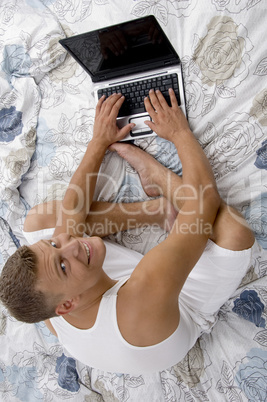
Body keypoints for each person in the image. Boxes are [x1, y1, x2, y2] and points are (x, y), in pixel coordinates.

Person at [0, 90, 255, 375]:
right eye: (62, 264)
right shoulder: (143, 295)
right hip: (182, 303)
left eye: (53, 244)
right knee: (235, 234)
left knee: (37, 221)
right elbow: (203, 203)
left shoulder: (50, 295)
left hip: (96, 290)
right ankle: (157, 178)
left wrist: (99, 141)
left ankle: (156, 210)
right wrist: (179, 132)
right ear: (67, 305)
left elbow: (72, 211)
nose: (70, 244)